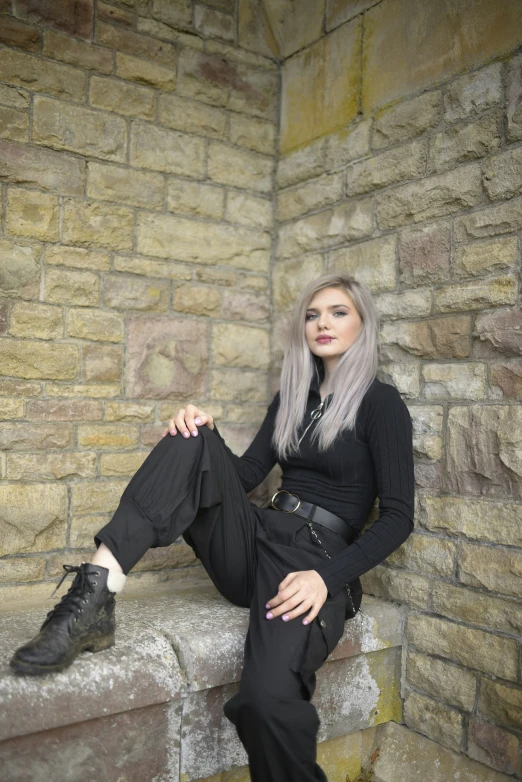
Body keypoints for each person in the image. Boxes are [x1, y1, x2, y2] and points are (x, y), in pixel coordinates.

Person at [10, 272, 415, 782]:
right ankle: (93, 599)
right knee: (190, 435)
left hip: (310, 562)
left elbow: (399, 518)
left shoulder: (381, 405)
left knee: (266, 704)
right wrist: (206, 433)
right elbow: (246, 476)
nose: (322, 324)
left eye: (338, 312)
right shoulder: (293, 397)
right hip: (255, 541)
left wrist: (326, 579)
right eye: (313, 315)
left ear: (363, 324)